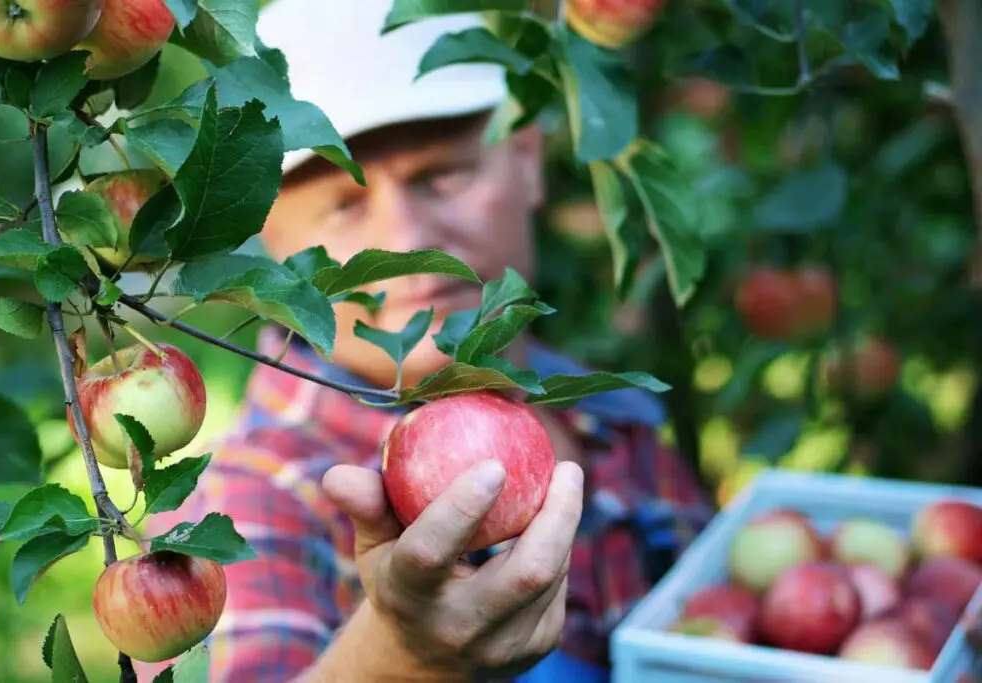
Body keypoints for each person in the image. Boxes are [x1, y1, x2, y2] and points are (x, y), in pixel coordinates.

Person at [139, 2, 713, 681]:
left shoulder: (616, 425)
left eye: (441, 174)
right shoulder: (247, 503)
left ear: (526, 157)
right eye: (344, 205)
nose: (408, 240)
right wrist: (395, 657)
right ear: (276, 240)